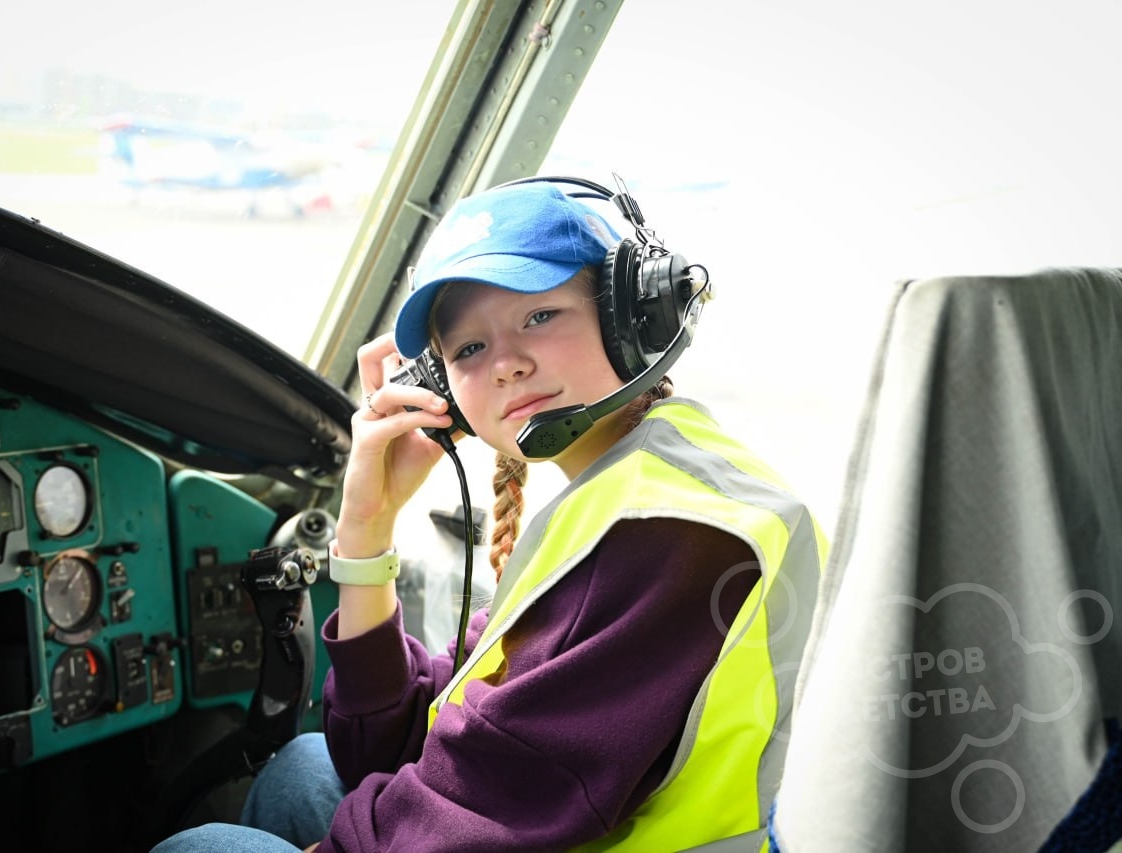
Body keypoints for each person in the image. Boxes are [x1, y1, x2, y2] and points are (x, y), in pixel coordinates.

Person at [153, 180, 827, 852]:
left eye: (540, 316)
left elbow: (478, 810)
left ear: (632, 313)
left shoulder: (664, 532)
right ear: (441, 389)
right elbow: (386, 743)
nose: (506, 364)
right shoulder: (621, 493)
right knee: (305, 767)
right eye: (469, 349)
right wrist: (368, 525)